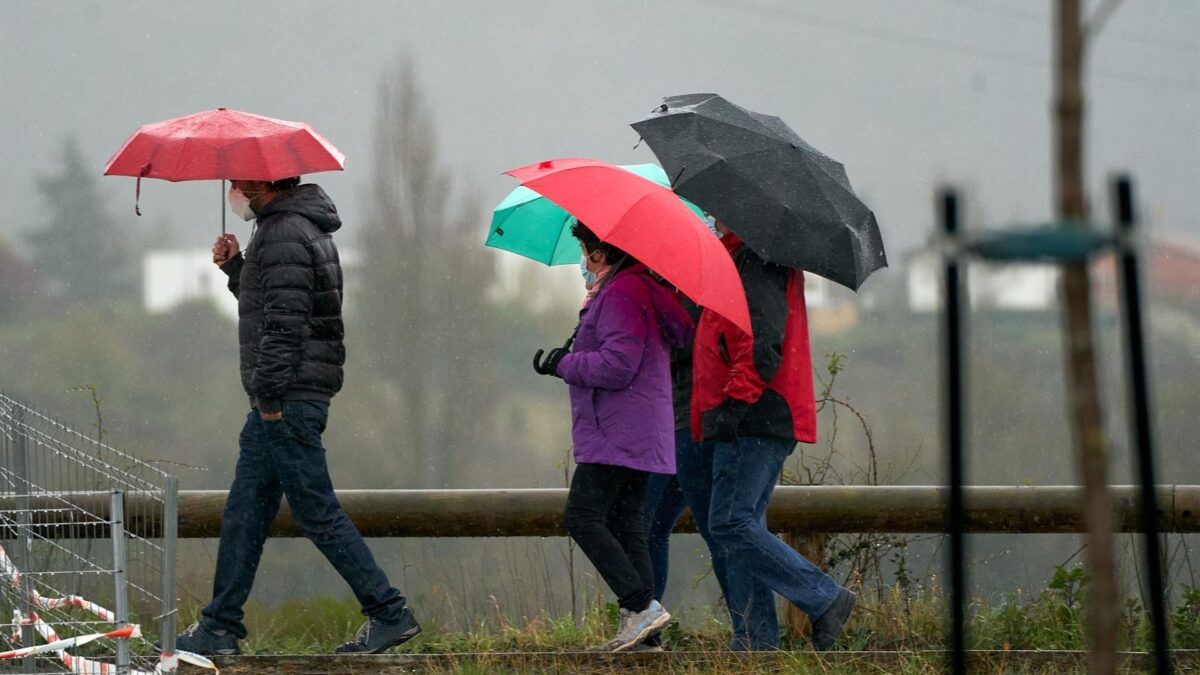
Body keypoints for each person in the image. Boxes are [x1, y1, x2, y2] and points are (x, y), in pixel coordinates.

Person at [166, 177, 419, 656]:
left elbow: (286, 323)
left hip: (285, 400)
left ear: (266, 183)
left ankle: (389, 611)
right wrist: (236, 267)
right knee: (246, 510)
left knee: (316, 511)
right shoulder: (291, 228)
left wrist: (268, 395)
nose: (235, 190)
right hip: (287, 396)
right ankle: (219, 625)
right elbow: (273, 306)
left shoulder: (284, 233)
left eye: (241, 183)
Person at [684, 221, 855, 651]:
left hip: (755, 415)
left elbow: (762, 345)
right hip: (755, 413)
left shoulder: (755, 261)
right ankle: (756, 641)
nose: (709, 214)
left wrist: (732, 406)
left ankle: (824, 598)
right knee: (740, 525)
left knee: (730, 521)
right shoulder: (742, 258)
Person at [533, 222, 693, 652]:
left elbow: (617, 365)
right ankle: (644, 634)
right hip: (639, 430)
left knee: (582, 517)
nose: (583, 260)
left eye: (584, 250)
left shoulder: (623, 292)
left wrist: (566, 365)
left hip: (618, 430)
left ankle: (641, 607)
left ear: (600, 253)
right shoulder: (635, 289)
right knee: (627, 525)